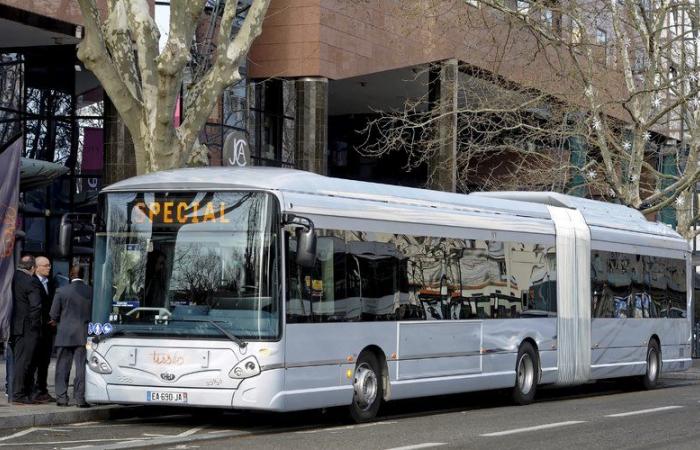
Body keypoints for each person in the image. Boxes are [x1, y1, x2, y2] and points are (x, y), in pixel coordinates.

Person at [49, 265, 92, 407]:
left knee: (62, 366)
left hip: (64, 334)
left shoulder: (61, 291)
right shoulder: (90, 291)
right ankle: (80, 398)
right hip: (83, 334)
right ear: (84, 275)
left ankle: (61, 398)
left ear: (70, 275)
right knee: (82, 367)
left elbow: (54, 314)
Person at [10, 255, 42, 404]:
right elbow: (36, 306)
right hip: (27, 327)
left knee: (19, 360)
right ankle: (19, 394)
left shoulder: (13, 278)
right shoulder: (31, 281)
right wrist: (36, 326)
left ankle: (21, 393)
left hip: (14, 325)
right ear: (32, 268)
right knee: (25, 361)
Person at [30, 256, 55, 402]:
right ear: (37, 267)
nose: (49, 268)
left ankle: (42, 389)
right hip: (36, 329)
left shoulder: (51, 284)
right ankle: (33, 390)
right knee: (34, 361)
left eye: (49, 265)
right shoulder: (32, 282)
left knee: (45, 361)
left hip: (48, 330)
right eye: (46, 265)